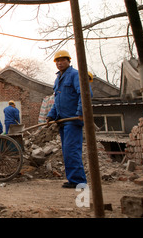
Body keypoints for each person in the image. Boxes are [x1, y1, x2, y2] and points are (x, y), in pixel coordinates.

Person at [46, 50, 91, 188]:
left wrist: (80, 112)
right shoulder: (58, 78)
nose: (60, 63)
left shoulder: (75, 75)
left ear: (68, 61)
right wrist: (51, 115)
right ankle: (74, 180)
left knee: (72, 150)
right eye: (57, 61)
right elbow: (57, 100)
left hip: (73, 119)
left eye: (62, 60)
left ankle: (79, 181)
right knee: (67, 151)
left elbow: (85, 93)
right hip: (63, 121)